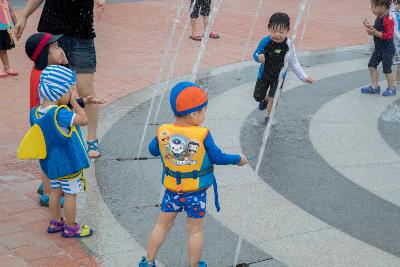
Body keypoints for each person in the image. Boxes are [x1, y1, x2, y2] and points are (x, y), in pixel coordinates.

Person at [139, 82, 248, 267]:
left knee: (161, 226)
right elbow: (217, 157)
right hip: (195, 193)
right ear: (193, 114)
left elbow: (153, 150)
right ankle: (194, 265)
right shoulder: (202, 134)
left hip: (172, 191)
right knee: (195, 231)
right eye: (204, 111)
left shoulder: (164, 131)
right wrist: (238, 159)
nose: (204, 116)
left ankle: (148, 261)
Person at [15, 0, 106, 158]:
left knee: (85, 89)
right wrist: (24, 15)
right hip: (52, 34)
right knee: (52, 88)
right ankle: (51, 133)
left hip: (81, 33)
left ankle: (92, 139)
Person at [25, 32, 105, 206]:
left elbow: (61, 100)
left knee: (47, 155)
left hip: (45, 121)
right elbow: (63, 102)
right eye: (55, 47)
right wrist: (77, 103)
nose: (61, 50)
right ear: (44, 56)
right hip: (49, 124)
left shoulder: (43, 73)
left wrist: (83, 101)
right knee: (50, 154)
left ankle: (47, 186)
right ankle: (48, 193)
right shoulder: (45, 75)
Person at [18, 65, 93, 238]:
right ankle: (71, 226)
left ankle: (55, 222)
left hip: (50, 163)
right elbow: (83, 120)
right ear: (59, 92)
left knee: (54, 191)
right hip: (67, 163)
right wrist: (75, 103)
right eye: (70, 89)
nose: (72, 92)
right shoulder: (60, 114)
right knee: (70, 195)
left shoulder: (35, 112)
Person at [253, 12, 314, 124]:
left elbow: (294, 63)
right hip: (264, 74)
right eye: (274, 31)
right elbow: (255, 54)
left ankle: (268, 118)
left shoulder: (289, 45)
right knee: (258, 96)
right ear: (269, 29)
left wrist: (304, 77)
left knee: (273, 97)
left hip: (279, 76)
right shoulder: (265, 41)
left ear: (287, 31)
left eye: (281, 32)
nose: (277, 35)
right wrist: (258, 58)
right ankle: (264, 100)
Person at [362, 0, 396, 96]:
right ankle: (375, 87)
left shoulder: (388, 19)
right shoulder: (378, 17)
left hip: (387, 49)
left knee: (387, 69)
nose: (371, 9)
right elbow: (378, 29)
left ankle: (391, 88)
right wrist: (370, 28)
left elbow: (388, 35)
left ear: (383, 7)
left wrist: (375, 33)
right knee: (371, 65)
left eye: (374, 7)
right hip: (378, 48)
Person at [0, 0, 17, 77]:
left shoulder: (5, 1)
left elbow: (12, 13)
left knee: (3, 49)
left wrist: (17, 25)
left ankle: (7, 67)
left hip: (4, 28)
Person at [391, 0, 400, 88]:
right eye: (395, 3)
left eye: (397, 3)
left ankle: (396, 81)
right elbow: (395, 31)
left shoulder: (397, 14)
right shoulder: (394, 15)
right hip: (396, 43)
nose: (395, 5)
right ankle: (396, 81)